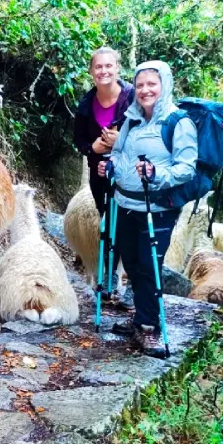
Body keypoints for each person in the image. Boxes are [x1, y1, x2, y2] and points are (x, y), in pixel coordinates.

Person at [97, 60, 197, 358]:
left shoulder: (178, 123)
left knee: (149, 265)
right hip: (125, 203)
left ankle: (149, 328)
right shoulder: (131, 119)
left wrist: (156, 174)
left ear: (164, 85)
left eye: (152, 84)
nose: (145, 90)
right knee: (130, 262)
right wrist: (111, 166)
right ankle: (139, 317)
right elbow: (120, 153)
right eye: (140, 85)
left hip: (157, 209)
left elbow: (186, 168)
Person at [73, 46, 135, 306]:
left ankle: (127, 281)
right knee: (107, 222)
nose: (104, 71)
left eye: (108, 66)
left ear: (117, 68)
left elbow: (148, 133)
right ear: (91, 71)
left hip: (129, 174)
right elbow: (79, 139)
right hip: (99, 174)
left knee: (127, 224)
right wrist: (93, 149)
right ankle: (108, 276)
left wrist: (121, 142)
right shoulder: (86, 105)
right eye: (98, 67)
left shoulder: (132, 98)